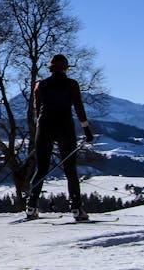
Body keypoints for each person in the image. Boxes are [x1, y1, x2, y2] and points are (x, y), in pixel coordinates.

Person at [25, 54, 95, 221]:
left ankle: (31, 206)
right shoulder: (71, 84)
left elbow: (37, 110)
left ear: (51, 69)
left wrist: (39, 132)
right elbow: (78, 107)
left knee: (41, 167)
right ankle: (77, 208)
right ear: (65, 68)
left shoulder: (40, 85)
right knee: (70, 168)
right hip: (64, 127)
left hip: (45, 126)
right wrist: (86, 129)